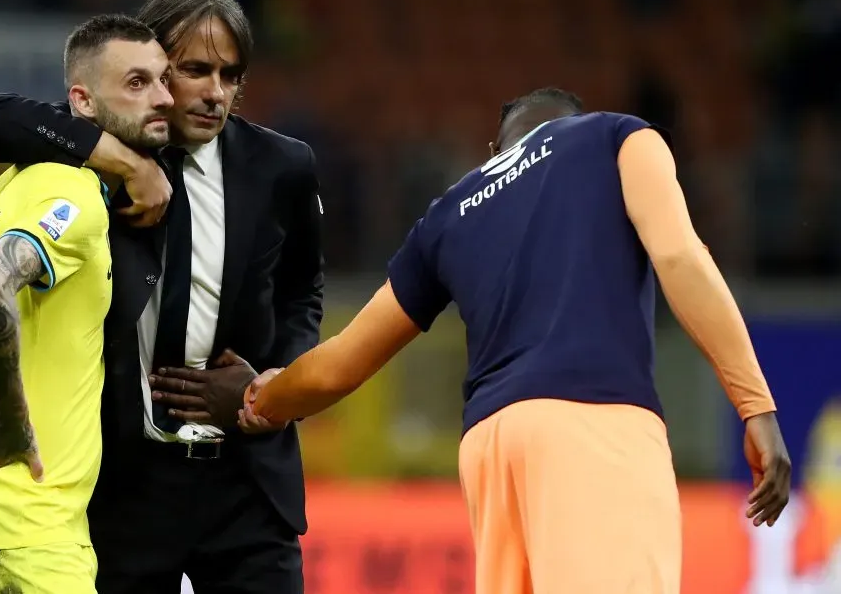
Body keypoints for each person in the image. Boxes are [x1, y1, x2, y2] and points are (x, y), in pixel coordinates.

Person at [239, 89, 792, 594]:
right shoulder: (615, 136)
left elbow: (342, 363)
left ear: (494, 148)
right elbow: (679, 257)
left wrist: (261, 398)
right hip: (594, 425)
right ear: (568, 123)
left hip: (490, 450)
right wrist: (755, 405)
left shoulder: (451, 213)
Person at [0, 0, 323, 594]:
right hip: (129, 482)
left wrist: (271, 387)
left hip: (245, 481)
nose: (216, 93)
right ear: (153, 68)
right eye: (196, 70)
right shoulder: (105, 152)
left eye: (231, 76)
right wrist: (124, 161)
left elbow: (302, 296)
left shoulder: (282, 167)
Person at [0, 14, 174, 594]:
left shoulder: (12, 184)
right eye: (137, 83)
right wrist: (14, 419)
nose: (163, 97)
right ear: (83, 102)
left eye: (164, 80)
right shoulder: (74, 195)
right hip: (36, 528)